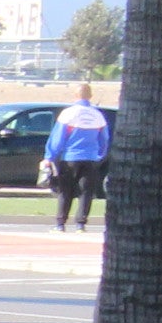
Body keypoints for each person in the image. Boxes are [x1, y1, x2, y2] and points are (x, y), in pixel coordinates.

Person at [44, 86, 111, 230]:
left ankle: (60, 224)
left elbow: (57, 139)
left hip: (69, 158)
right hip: (90, 159)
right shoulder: (97, 115)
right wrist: (99, 154)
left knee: (65, 191)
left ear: (75, 95)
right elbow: (104, 139)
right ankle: (81, 224)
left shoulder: (68, 114)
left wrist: (50, 156)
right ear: (90, 96)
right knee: (86, 192)